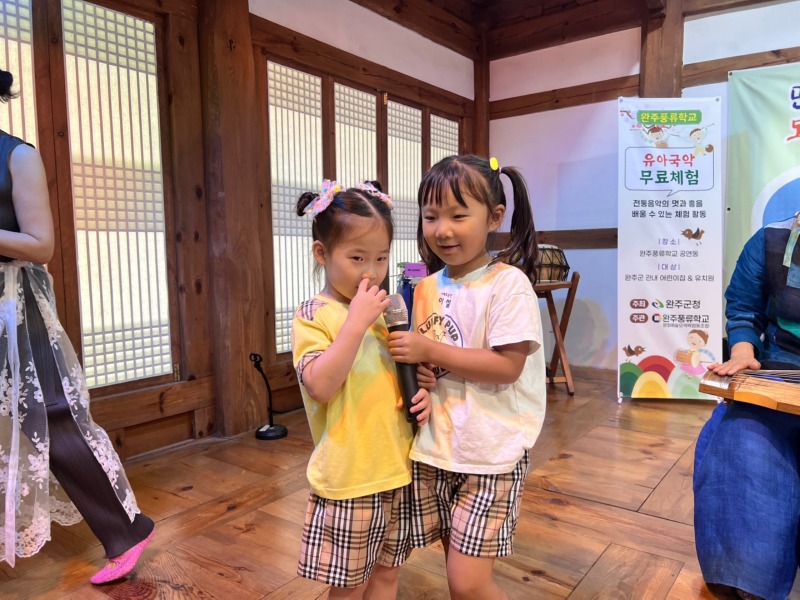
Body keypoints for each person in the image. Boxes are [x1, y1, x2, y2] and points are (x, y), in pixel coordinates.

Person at [0, 70, 155, 583]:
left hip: (15, 304)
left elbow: (41, 244)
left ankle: (126, 530)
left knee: (54, 415)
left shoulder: (17, 155)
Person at [387, 154, 546, 600]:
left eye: (458, 216)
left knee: (467, 583)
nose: (443, 230)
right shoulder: (424, 288)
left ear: (495, 217)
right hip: (437, 450)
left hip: (490, 452)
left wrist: (430, 352)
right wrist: (421, 374)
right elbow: (432, 366)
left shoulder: (507, 284)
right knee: (455, 565)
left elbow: (507, 366)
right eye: (431, 216)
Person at [291, 180, 432, 599]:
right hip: (350, 475)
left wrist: (420, 387)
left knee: (387, 575)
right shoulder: (314, 314)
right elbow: (320, 385)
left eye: (381, 258)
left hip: (396, 467)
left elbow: (387, 377)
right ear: (322, 254)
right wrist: (355, 322)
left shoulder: (381, 313)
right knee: (350, 586)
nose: (371, 272)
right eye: (357, 258)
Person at [694, 211, 800, 600]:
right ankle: (749, 577)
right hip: (779, 370)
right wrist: (743, 351)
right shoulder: (771, 240)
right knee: (742, 437)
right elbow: (743, 307)